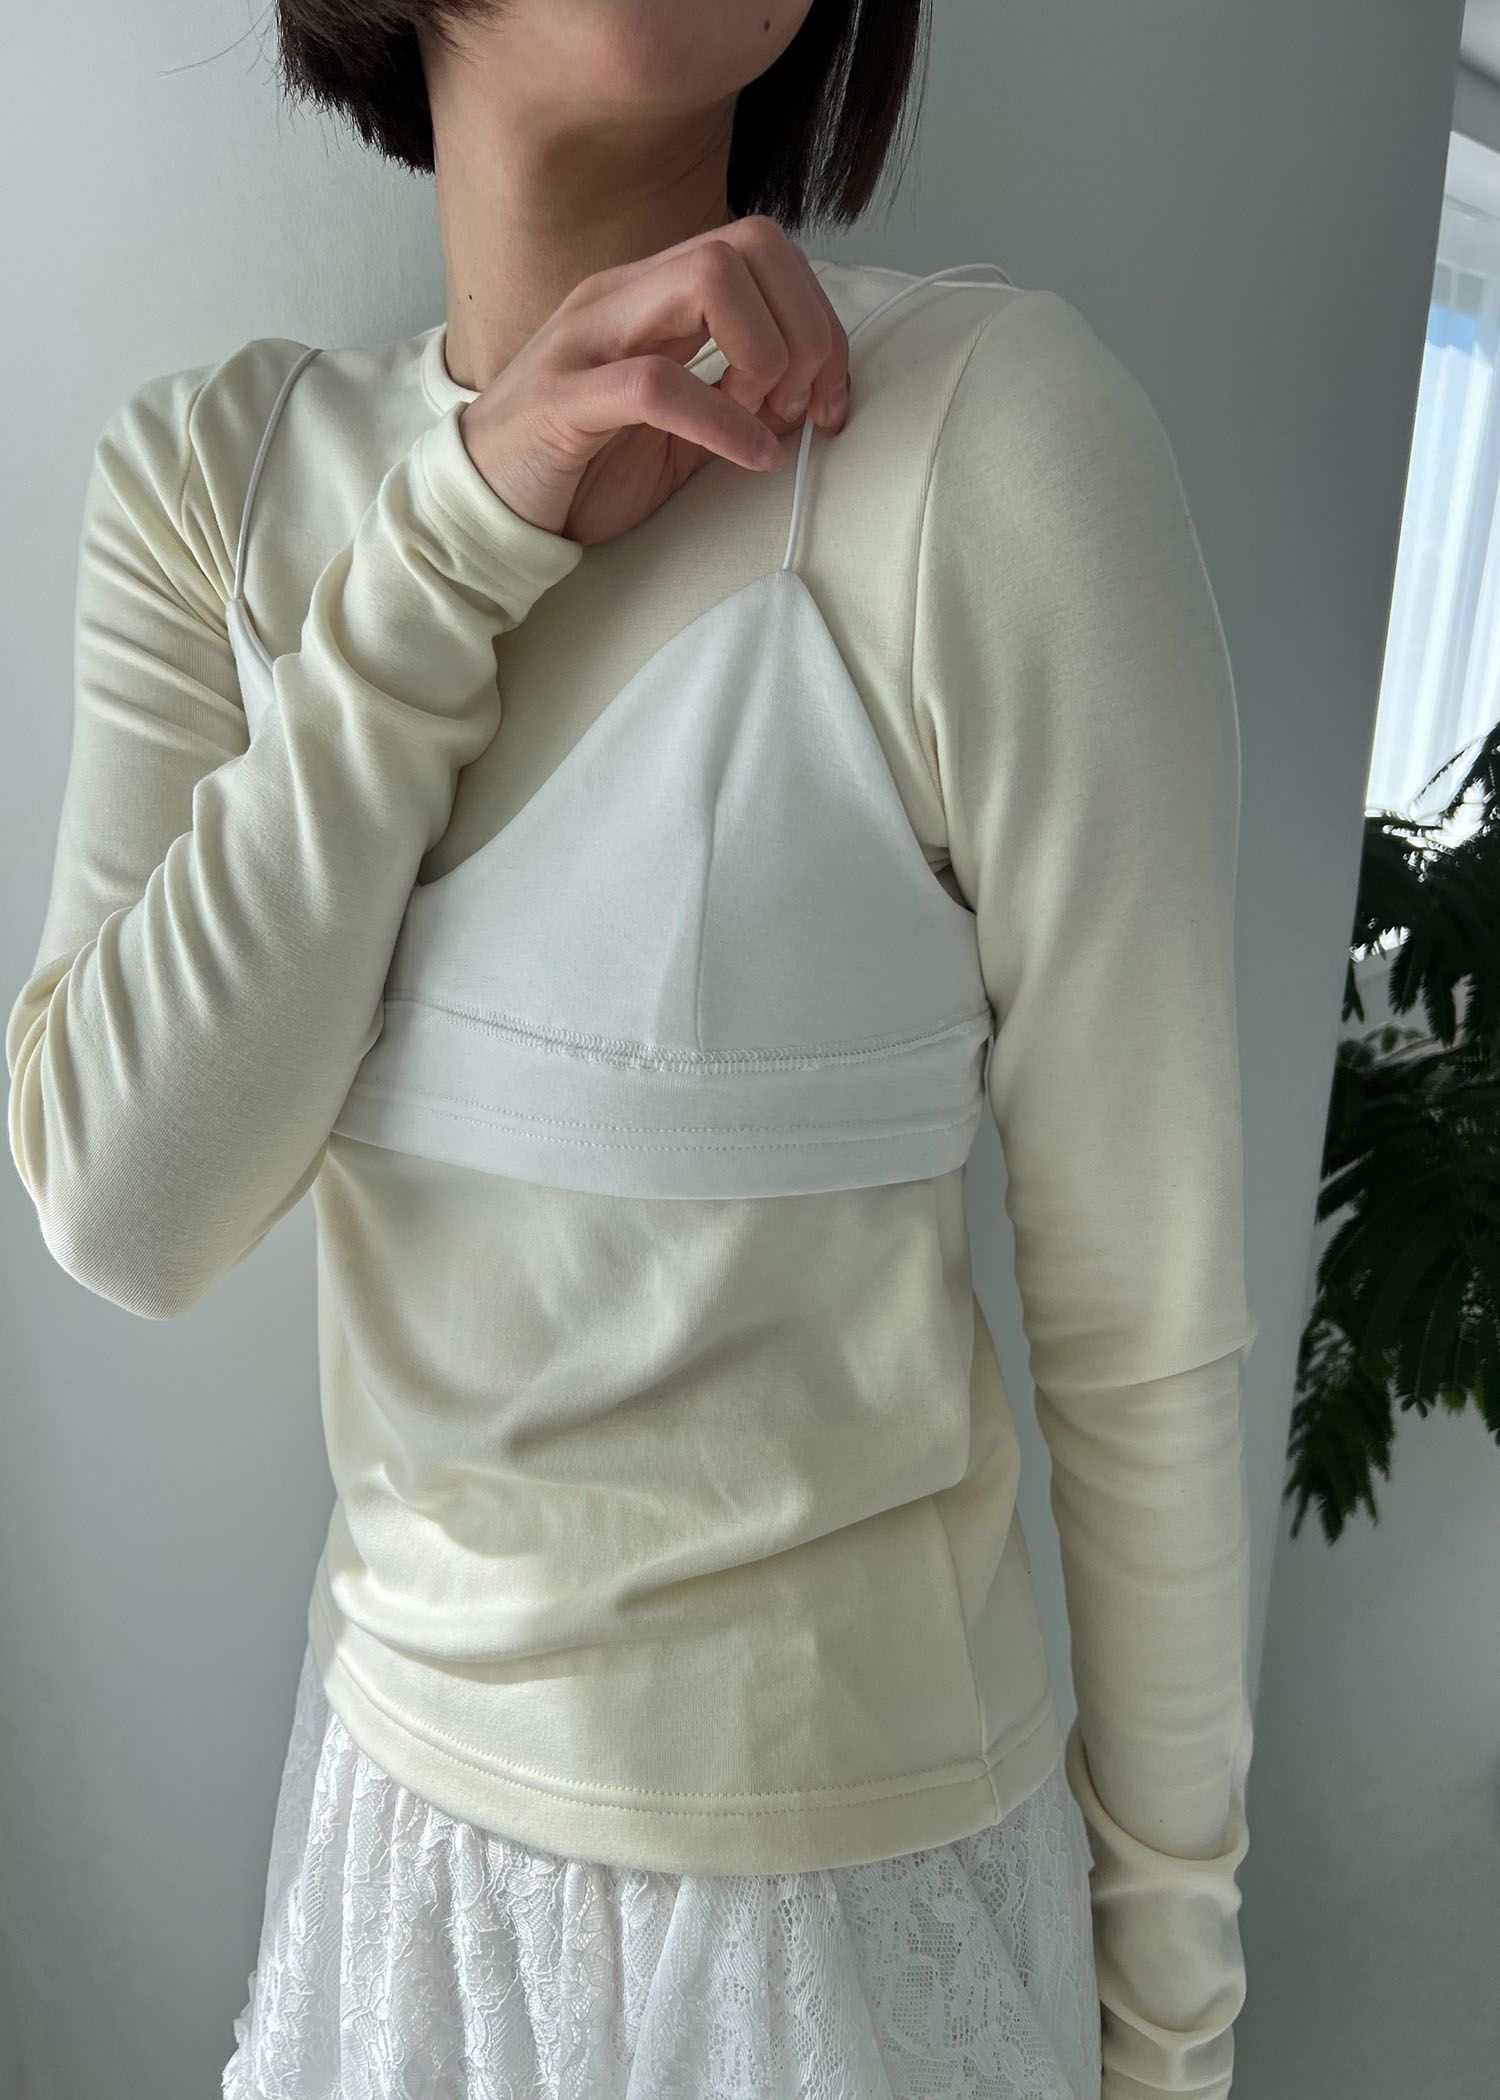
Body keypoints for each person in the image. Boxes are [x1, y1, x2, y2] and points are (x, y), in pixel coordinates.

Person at [6, 3, 1259, 2096]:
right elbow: (125, 1210)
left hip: (854, 1942)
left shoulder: (986, 441)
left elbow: (1144, 1341)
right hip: (387, 1882)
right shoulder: (214, 487)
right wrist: (453, 534)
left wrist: (1173, 2042)